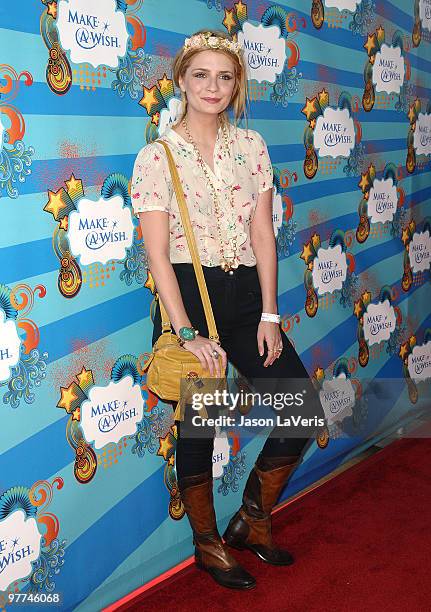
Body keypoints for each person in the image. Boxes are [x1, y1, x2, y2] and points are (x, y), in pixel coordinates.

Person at [131, 29, 326, 590]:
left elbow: (263, 233)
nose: (212, 87)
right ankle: (207, 544)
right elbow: (157, 256)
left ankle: (251, 522)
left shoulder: (253, 146)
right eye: (201, 75)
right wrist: (186, 331)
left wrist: (270, 312)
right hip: (189, 299)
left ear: (236, 83)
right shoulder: (157, 156)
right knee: (200, 426)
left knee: (301, 408)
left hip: (245, 298)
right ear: (183, 80)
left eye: (224, 76)